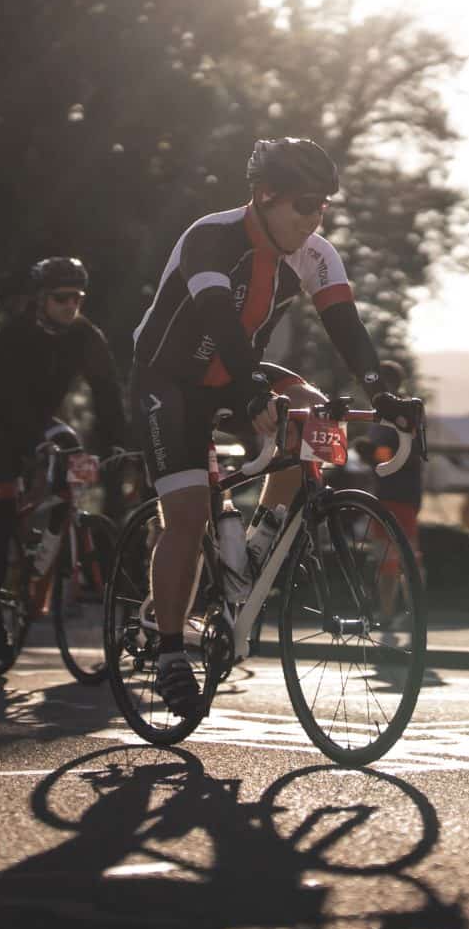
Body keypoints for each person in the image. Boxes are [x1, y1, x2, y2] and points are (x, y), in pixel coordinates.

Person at [129, 137, 421, 718]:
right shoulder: (210, 237)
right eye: (306, 204)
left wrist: (383, 396)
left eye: (324, 207)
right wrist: (249, 390)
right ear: (265, 195)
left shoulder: (314, 254)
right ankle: (167, 654)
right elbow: (217, 318)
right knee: (186, 514)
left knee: (310, 406)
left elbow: (346, 327)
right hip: (169, 381)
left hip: (239, 374)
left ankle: (258, 544)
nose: (316, 219)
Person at [0, 257, 128, 657]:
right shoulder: (16, 333)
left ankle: (52, 556)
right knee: (2, 512)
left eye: (77, 298)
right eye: (61, 298)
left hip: (42, 421)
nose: (70, 306)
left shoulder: (84, 334)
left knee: (72, 460)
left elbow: (107, 389)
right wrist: (35, 439)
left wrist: (119, 443)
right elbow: (9, 395)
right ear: (41, 298)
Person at [355, 360, 425, 623]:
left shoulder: (397, 412)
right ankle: (391, 613)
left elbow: (400, 455)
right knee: (391, 556)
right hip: (391, 492)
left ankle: (408, 614)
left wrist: (369, 453)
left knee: (400, 556)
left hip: (399, 492)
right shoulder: (390, 411)